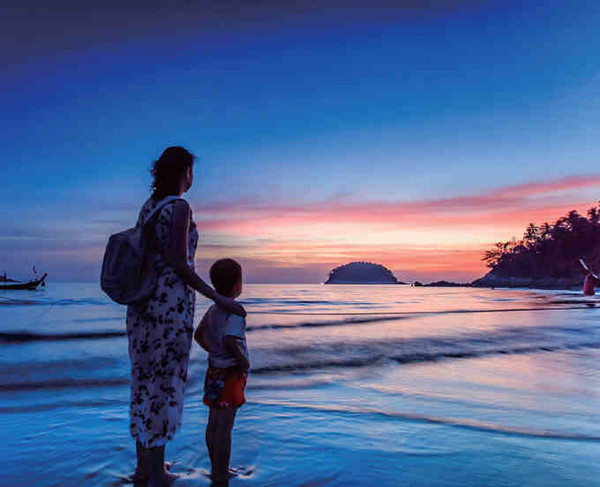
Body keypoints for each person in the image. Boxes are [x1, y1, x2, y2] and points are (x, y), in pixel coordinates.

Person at [126, 147, 245, 487]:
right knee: (163, 387)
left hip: (142, 310)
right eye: (191, 171)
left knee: (144, 385)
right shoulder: (179, 206)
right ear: (185, 172)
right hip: (169, 310)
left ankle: (143, 468)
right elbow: (179, 263)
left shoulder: (148, 208)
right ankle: (157, 473)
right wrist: (218, 297)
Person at [194, 258, 249, 486]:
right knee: (225, 427)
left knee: (213, 423)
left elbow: (198, 335)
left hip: (214, 371)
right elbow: (230, 340)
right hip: (230, 375)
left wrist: (213, 351)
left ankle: (215, 466)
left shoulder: (213, 309)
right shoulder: (234, 312)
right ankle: (222, 472)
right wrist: (242, 361)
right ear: (237, 284)